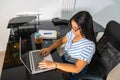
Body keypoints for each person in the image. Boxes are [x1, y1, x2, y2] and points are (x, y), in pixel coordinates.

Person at [38, 11, 96, 80]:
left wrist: (54, 64)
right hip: (64, 60)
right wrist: (49, 48)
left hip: (73, 71)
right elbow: (62, 40)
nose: (72, 30)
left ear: (84, 28)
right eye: (72, 26)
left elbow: (76, 68)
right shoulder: (73, 33)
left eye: (75, 28)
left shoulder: (89, 46)